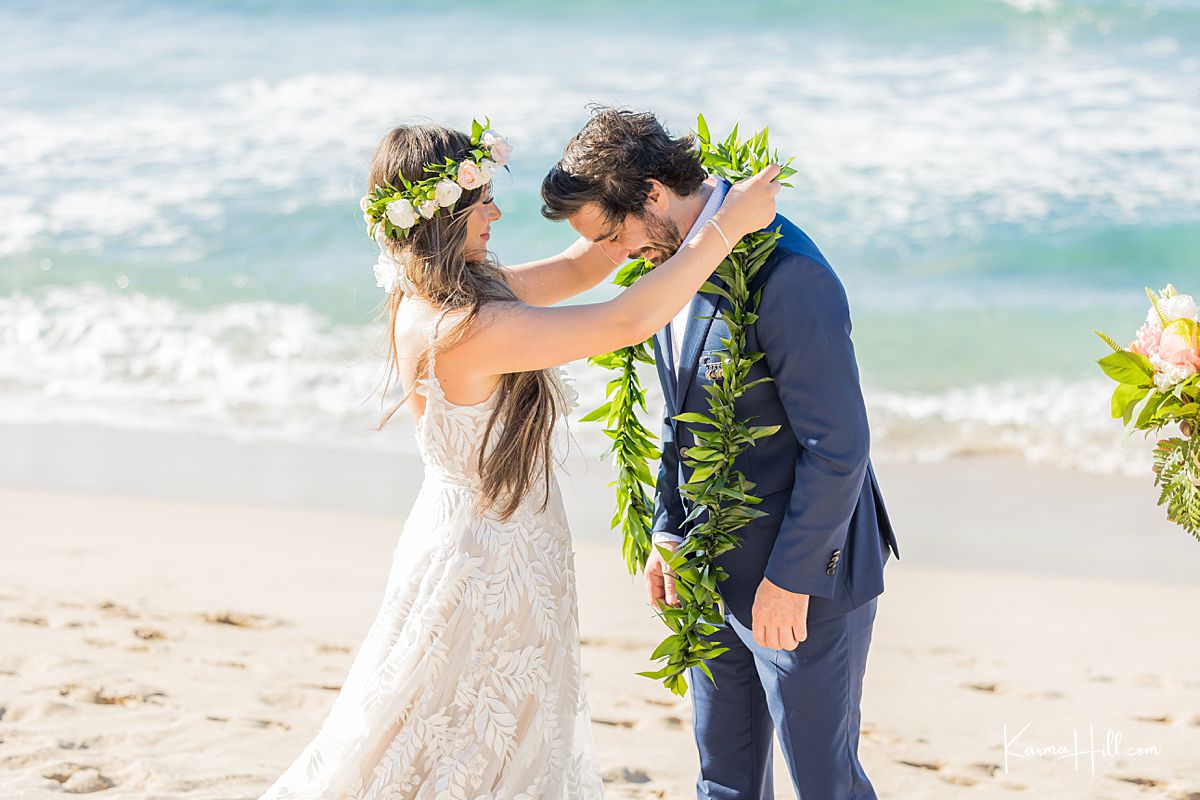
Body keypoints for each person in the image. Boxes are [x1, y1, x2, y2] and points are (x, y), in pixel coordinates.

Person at [257, 120, 780, 800]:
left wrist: (667, 196)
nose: (497, 213)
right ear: (443, 217)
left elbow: (580, 268)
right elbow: (624, 320)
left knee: (461, 731)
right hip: (487, 565)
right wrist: (726, 228)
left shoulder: (440, 297)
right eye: (481, 204)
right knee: (469, 743)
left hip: (489, 542)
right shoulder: (464, 328)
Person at [541, 108, 900, 800]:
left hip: (806, 581)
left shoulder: (788, 274)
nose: (619, 255)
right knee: (724, 780)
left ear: (651, 192)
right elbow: (682, 416)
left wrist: (792, 578)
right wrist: (669, 527)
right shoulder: (672, 266)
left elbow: (840, 447)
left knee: (825, 782)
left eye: (614, 235)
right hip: (708, 569)